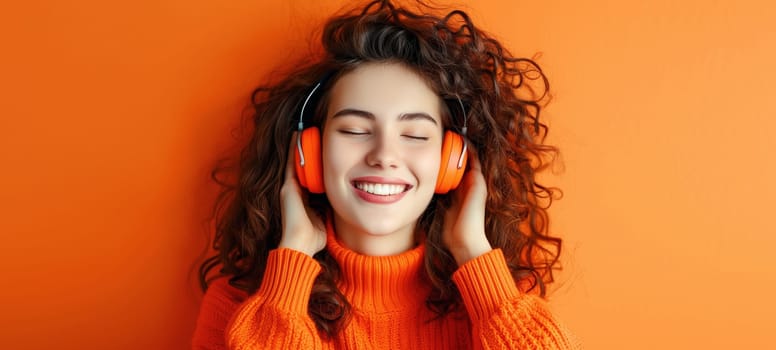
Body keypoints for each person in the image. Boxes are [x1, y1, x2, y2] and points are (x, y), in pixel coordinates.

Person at [192, 0, 580, 348]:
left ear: (452, 160)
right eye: (355, 131)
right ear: (308, 152)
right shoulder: (240, 306)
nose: (384, 156)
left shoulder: (503, 303)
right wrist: (290, 267)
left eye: (414, 135)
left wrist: (474, 256)